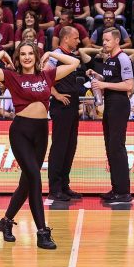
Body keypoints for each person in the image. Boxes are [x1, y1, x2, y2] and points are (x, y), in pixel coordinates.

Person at [0, 42, 80, 248]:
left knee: (27, 183)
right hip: (20, 132)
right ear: (18, 59)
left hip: (41, 133)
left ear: (36, 58)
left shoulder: (46, 76)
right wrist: (2, 53)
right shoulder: (12, 76)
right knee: (35, 178)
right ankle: (42, 232)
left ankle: (6, 222)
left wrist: (49, 53)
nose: (27, 57)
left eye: (31, 54)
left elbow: (74, 62)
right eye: (23, 54)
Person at [90, 28, 134, 202]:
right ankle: (116, 188)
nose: (104, 43)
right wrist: (97, 76)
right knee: (110, 147)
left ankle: (123, 192)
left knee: (117, 147)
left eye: (107, 40)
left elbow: (128, 86)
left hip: (119, 105)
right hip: (110, 104)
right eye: (103, 40)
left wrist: (104, 86)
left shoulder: (123, 58)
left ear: (117, 40)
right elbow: (112, 80)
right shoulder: (109, 59)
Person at [47, 26, 85, 202]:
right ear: (66, 39)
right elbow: (45, 76)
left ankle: (64, 185)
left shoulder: (71, 56)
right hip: (60, 108)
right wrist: (56, 94)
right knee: (59, 148)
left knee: (70, 147)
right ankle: (54, 189)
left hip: (71, 107)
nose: (78, 41)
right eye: (76, 38)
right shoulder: (55, 55)